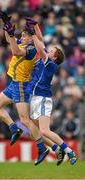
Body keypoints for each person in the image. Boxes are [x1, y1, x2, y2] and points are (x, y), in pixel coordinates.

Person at [0, 11, 49, 166]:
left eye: (24, 35)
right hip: (13, 84)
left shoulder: (30, 49)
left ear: (31, 38)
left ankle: (41, 148)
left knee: (25, 119)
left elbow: (15, 51)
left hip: (21, 85)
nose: (21, 37)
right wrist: (6, 27)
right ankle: (14, 129)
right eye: (21, 35)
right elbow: (9, 40)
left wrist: (11, 35)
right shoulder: (23, 43)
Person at [25, 19, 77, 165]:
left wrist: (32, 33)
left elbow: (40, 47)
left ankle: (69, 151)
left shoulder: (50, 64)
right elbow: (41, 42)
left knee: (44, 131)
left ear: (54, 57)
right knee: (34, 129)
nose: (49, 50)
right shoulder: (43, 61)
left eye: (52, 51)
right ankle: (56, 148)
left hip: (42, 98)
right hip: (35, 98)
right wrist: (35, 26)